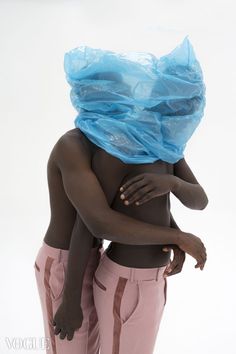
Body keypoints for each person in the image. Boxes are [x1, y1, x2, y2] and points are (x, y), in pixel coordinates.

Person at [34, 36, 208, 354]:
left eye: (119, 93)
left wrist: (172, 224)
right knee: (70, 346)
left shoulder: (122, 141)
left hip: (94, 256)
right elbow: (93, 222)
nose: (115, 101)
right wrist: (70, 298)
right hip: (63, 260)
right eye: (104, 94)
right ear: (83, 96)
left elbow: (141, 205)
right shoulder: (73, 146)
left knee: (98, 343)